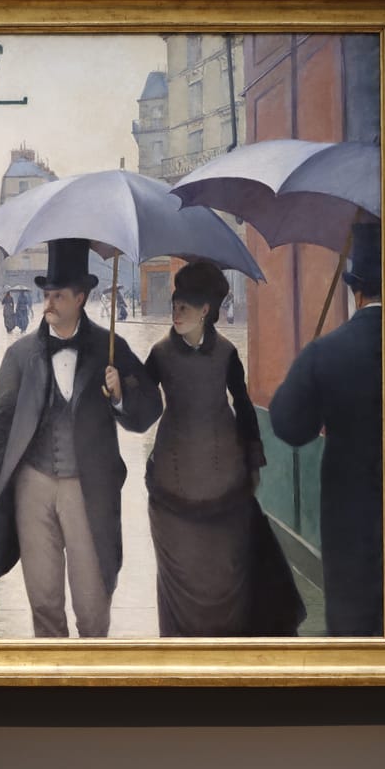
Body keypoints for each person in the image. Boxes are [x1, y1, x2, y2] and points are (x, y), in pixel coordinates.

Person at [0, 239, 162, 637]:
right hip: (33, 486)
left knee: (93, 605)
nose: (48, 303)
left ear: (81, 297)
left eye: (58, 295)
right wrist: (2, 484)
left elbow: (150, 410)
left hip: (90, 488)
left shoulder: (110, 348)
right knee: (44, 601)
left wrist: (121, 396)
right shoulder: (21, 354)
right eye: (46, 294)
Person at [141, 261, 303, 636]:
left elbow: (243, 405)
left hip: (226, 483)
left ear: (205, 311)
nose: (176, 313)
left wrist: (253, 460)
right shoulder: (160, 353)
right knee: (179, 574)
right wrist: (119, 390)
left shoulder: (228, 353)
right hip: (172, 482)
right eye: (174, 305)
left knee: (228, 573)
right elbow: (142, 407)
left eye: (184, 307)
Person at [268, 220, 384, 635]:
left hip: (349, 515)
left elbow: (288, 425)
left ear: (355, 291)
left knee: (353, 627)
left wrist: (308, 368)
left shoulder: (328, 351)